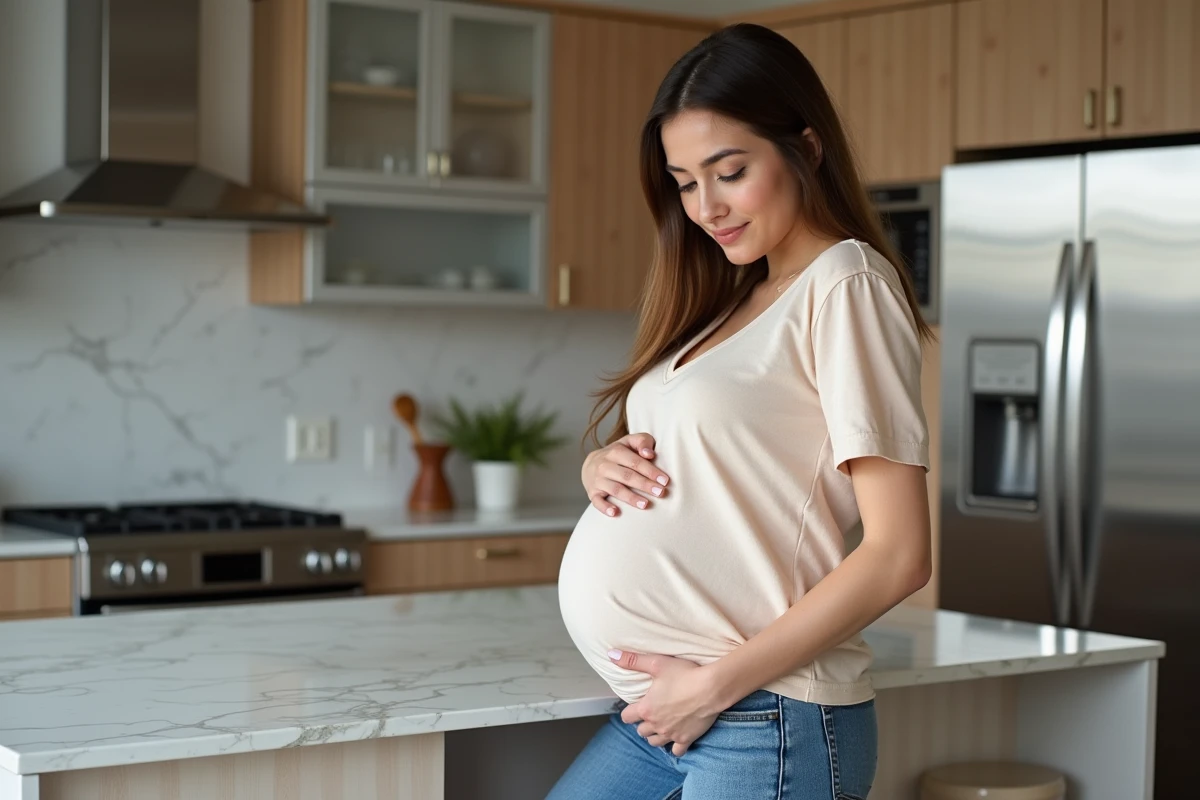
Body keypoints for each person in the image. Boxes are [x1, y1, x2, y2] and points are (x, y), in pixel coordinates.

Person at [550, 22, 935, 800]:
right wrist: (603, 467)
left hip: (763, 715)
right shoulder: (735, 297)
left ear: (806, 149)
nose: (707, 207)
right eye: (685, 183)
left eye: (730, 172)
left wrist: (712, 687)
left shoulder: (845, 283)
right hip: (677, 715)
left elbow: (900, 554)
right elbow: (721, 466)